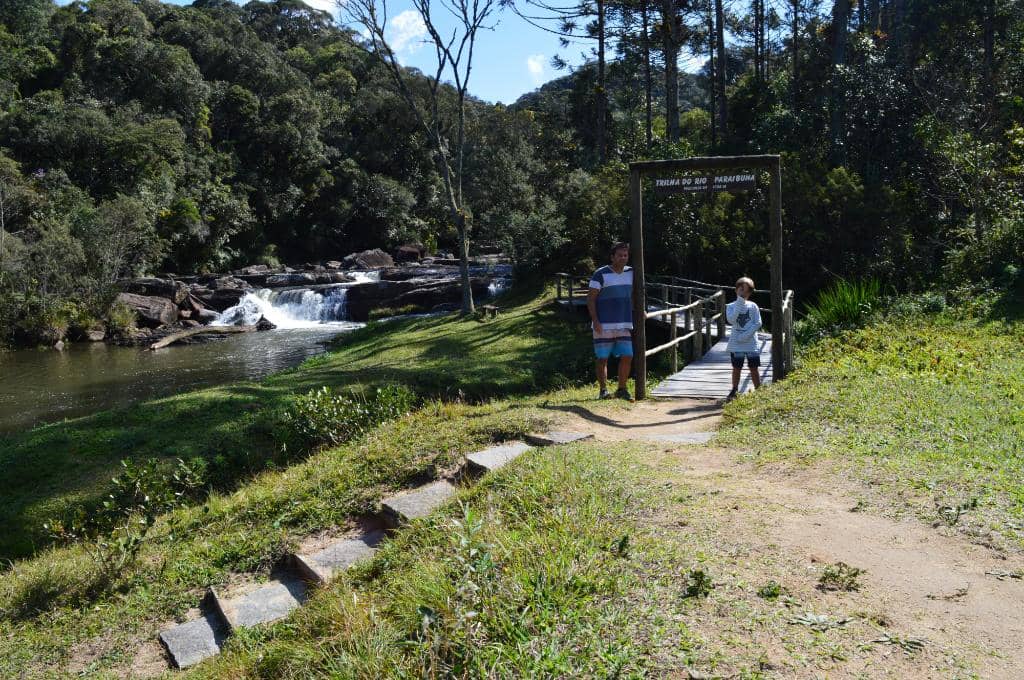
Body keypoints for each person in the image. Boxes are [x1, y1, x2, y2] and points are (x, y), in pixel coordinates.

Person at [587, 242, 634, 401]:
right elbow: (591, 299)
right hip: (603, 324)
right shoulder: (600, 274)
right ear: (612, 257)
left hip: (624, 323)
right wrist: (595, 321)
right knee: (602, 358)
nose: (623, 258)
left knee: (628, 355)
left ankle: (622, 389)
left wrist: (642, 310)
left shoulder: (632, 273)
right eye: (620, 255)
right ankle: (603, 390)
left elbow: (638, 293)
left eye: (625, 255)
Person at [726, 276, 762, 401]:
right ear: (736, 290)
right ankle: (734, 390)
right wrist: (739, 302)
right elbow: (731, 319)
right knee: (737, 368)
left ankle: (759, 389)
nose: (743, 293)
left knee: (754, 367)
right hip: (736, 344)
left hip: (751, 343)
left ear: (750, 293)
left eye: (747, 291)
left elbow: (758, 323)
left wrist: (744, 336)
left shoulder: (753, 306)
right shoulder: (730, 306)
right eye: (741, 289)